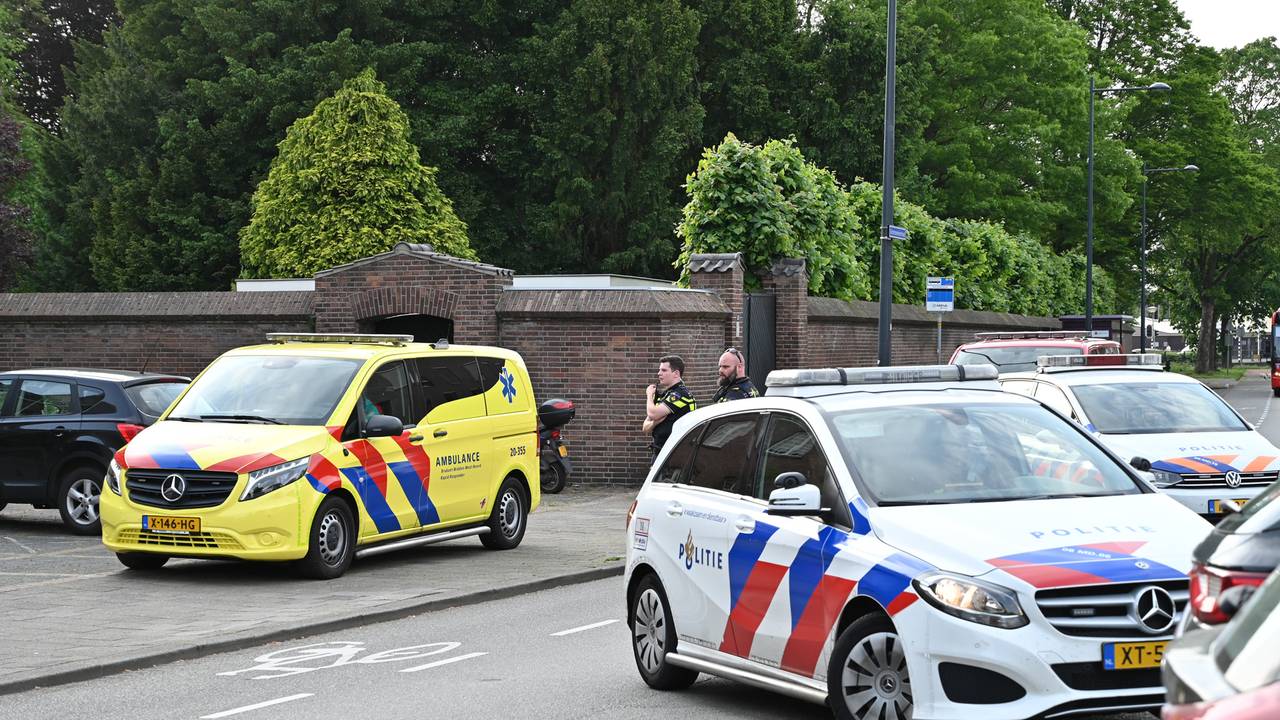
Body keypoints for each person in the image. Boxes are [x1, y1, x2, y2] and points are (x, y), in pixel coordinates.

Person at [642, 354, 697, 456]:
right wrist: (654, 423)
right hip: (661, 452)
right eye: (659, 370)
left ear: (676, 373)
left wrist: (649, 395)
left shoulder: (680, 394)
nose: (659, 373)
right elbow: (645, 427)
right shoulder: (666, 395)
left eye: (664, 370)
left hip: (676, 454)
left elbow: (653, 414)